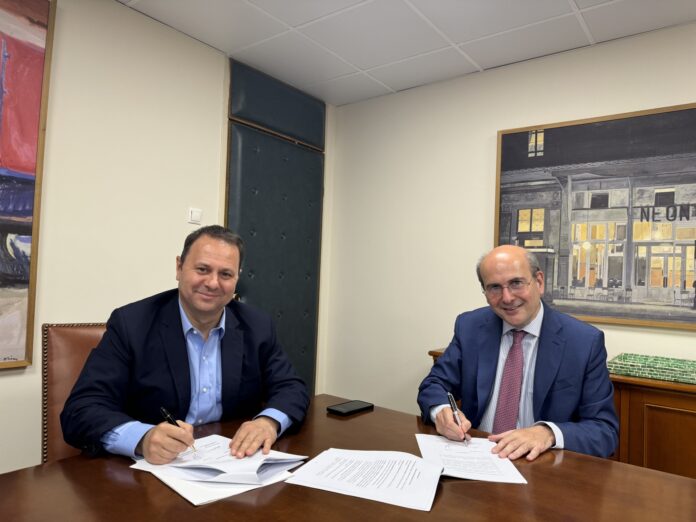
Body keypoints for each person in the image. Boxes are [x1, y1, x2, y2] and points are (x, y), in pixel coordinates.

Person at [62, 225, 309, 464]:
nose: (213, 283)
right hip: (149, 473)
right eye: (202, 269)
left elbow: (291, 387)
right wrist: (142, 438)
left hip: (232, 463)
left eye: (225, 274)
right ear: (179, 267)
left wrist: (268, 422)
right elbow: (81, 409)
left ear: (237, 278)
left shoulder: (257, 325)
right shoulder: (131, 325)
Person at [417, 245, 618, 461]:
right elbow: (434, 384)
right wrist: (441, 411)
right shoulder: (470, 327)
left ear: (539, 282)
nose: (507, 297)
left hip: (541, 465)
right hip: (477, 455)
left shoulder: (583, 342)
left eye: (516, 283)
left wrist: (548, 433)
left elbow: (604, 431)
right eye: (494, 287)